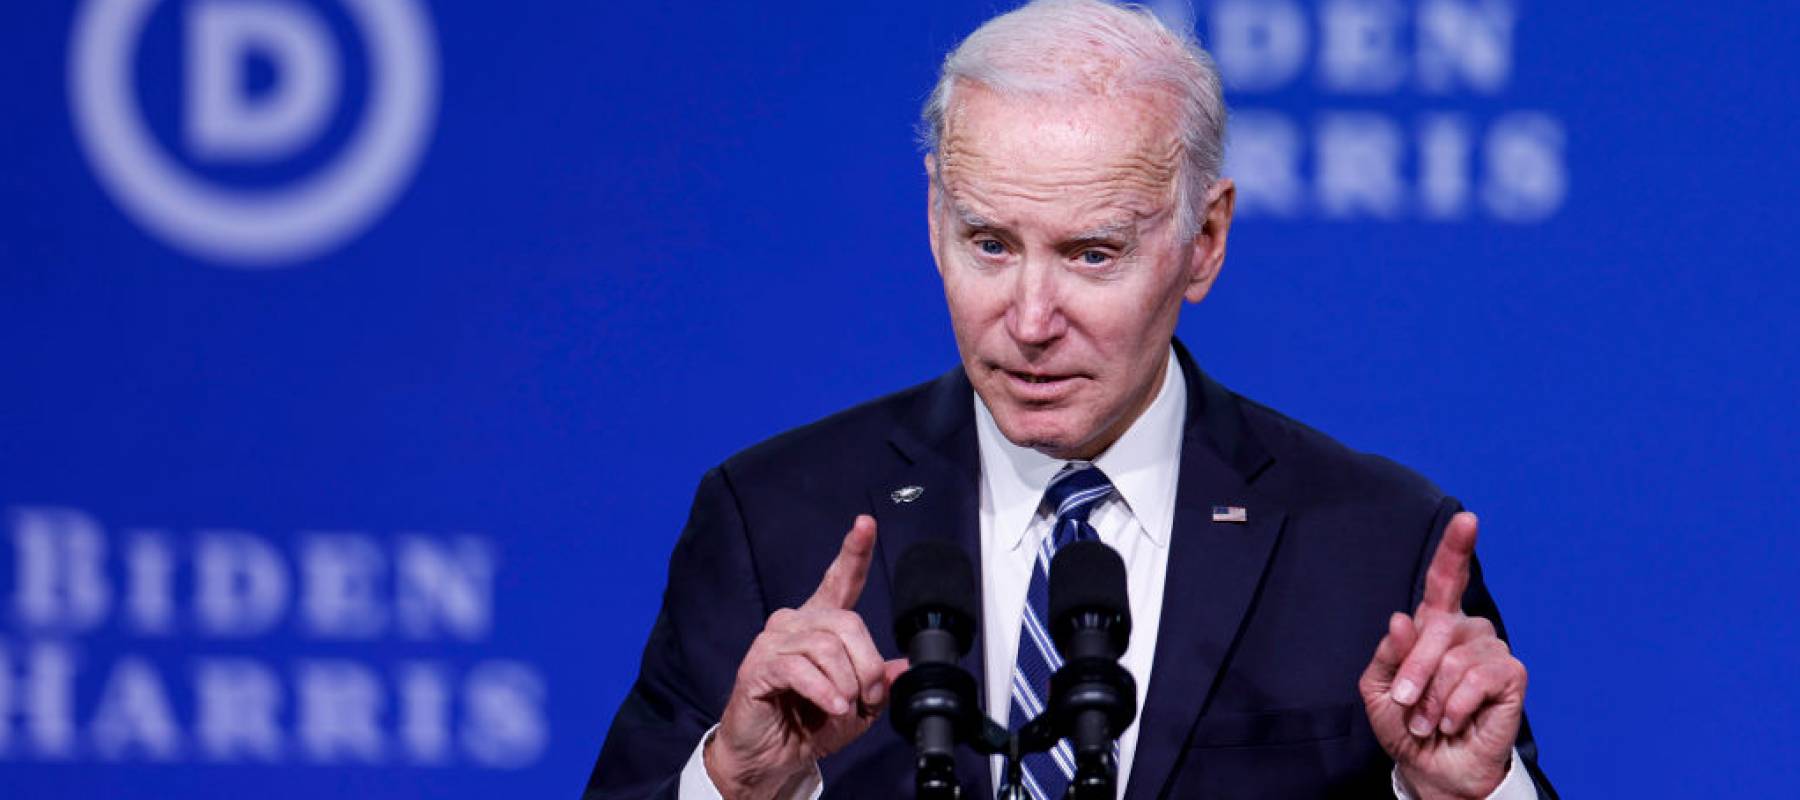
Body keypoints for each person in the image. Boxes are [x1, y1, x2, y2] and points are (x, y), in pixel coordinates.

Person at [583, 1, 1555, 798]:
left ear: (1206, 240)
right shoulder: (771, 519)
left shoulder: (1376, 544)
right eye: (990, 244)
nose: (1030, 318)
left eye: (1092, 254)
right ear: (934, 214)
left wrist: (1462, 796)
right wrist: (736, 785)